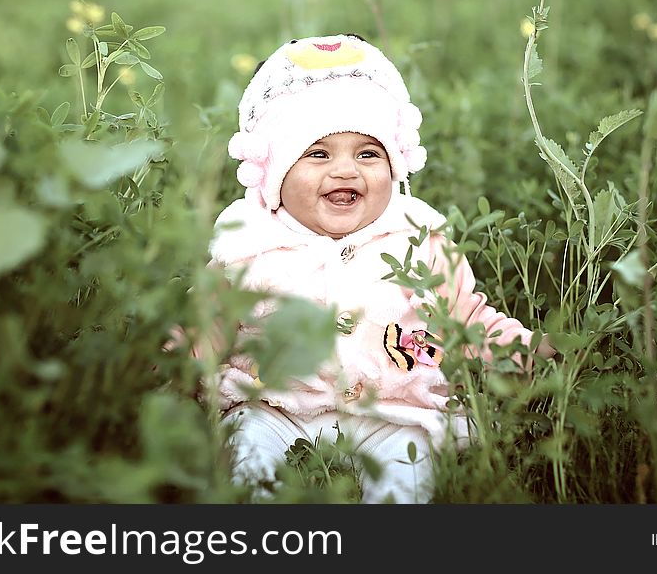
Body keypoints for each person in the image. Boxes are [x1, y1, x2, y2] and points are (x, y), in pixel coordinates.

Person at [179, 33, 550, 503]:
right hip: (274, 405)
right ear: (275, 172)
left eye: (367, 153)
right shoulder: (249, 245)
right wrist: (169, 363)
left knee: (409, 465)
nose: (346, 171)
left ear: (395, 167)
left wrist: (531, 350)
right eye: (317, 154)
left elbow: (466, 319)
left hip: (390, 410)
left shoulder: (419, 240)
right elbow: (208, 327)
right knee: (249, 452)